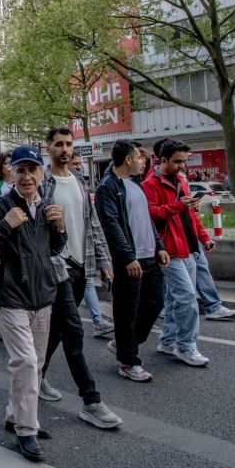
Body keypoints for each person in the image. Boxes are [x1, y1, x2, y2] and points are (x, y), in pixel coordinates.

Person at [0, 145, 66, 462]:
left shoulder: (46, 208)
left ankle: (14, 414)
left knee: (36, 364)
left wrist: (60, 226)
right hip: (11, 297)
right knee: (26, 363)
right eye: (21, 170)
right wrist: (5, 226)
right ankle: (26, 430)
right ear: (11, 173)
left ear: (40, 174)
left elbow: (55, 250)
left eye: (32, 170)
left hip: (42, 296)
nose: (27, 176)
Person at [38, 128, 122, 430]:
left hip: (79, 267)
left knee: (58, 331)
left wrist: (103, 260)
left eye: (69, 144)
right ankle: (91, 400)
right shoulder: (41, 182)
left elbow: (92, 223)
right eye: (59, 144)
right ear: (48, 148)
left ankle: (36, 375)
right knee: (73, 331)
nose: (65, 149)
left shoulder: (78, 179)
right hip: (56, 268)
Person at [95, 140, 169, 382]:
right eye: (138, 157)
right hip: (129, 260)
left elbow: (145, 220)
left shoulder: (137, 184)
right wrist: (127, 256)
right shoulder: (108, 186)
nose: (142, 162)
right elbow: (112, 224)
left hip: (149, 256)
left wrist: (158, 246)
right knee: (127, 310)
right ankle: (128, 361)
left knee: (155, 302)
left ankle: (124, 343)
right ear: (128, 159)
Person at [143, 139, 214, 367]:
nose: (182, 166)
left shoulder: (181, 181)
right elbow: (149, 215)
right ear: (163, 160)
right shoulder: (150, 184)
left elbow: (190, 214)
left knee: (176, 299)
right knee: (186, 298)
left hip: (187, 247)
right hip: (168, 250)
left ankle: (168, 341)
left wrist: (204, 238)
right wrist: (179, 206)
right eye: (177, 162)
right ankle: (186, 346)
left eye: (184, 161)